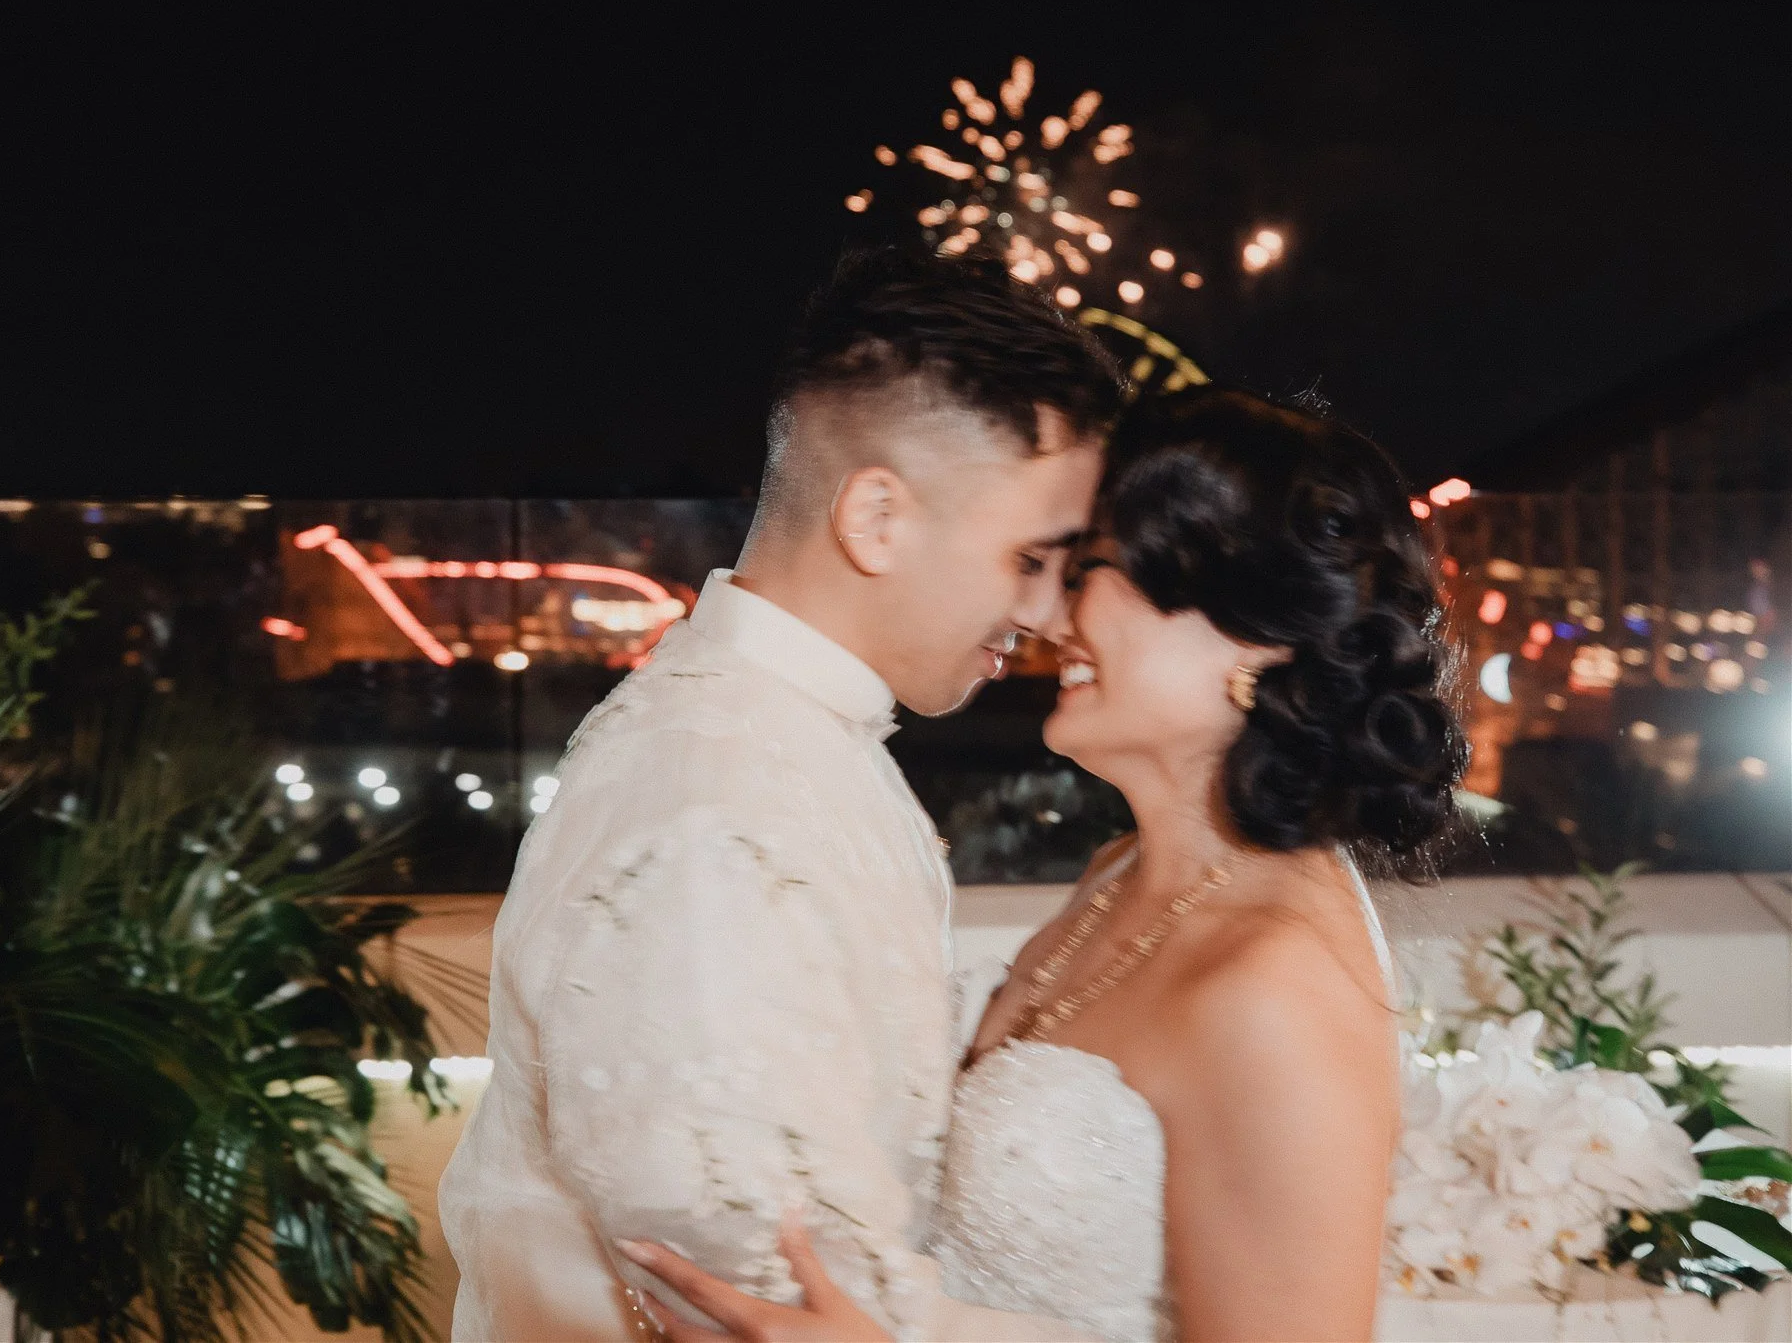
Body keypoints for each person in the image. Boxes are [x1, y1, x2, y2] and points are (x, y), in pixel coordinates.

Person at [624, 387, 1469, 1341]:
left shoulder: (1273, 987)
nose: (1046, 611)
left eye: (1091, 568)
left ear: (1254, 638)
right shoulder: (1123, 871)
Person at [437, 248, 1122, 1340]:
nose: (1047, 613)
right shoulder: (716, 814)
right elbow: (784, 1297)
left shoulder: (784, 743)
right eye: (1031, 559)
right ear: (878, 518)